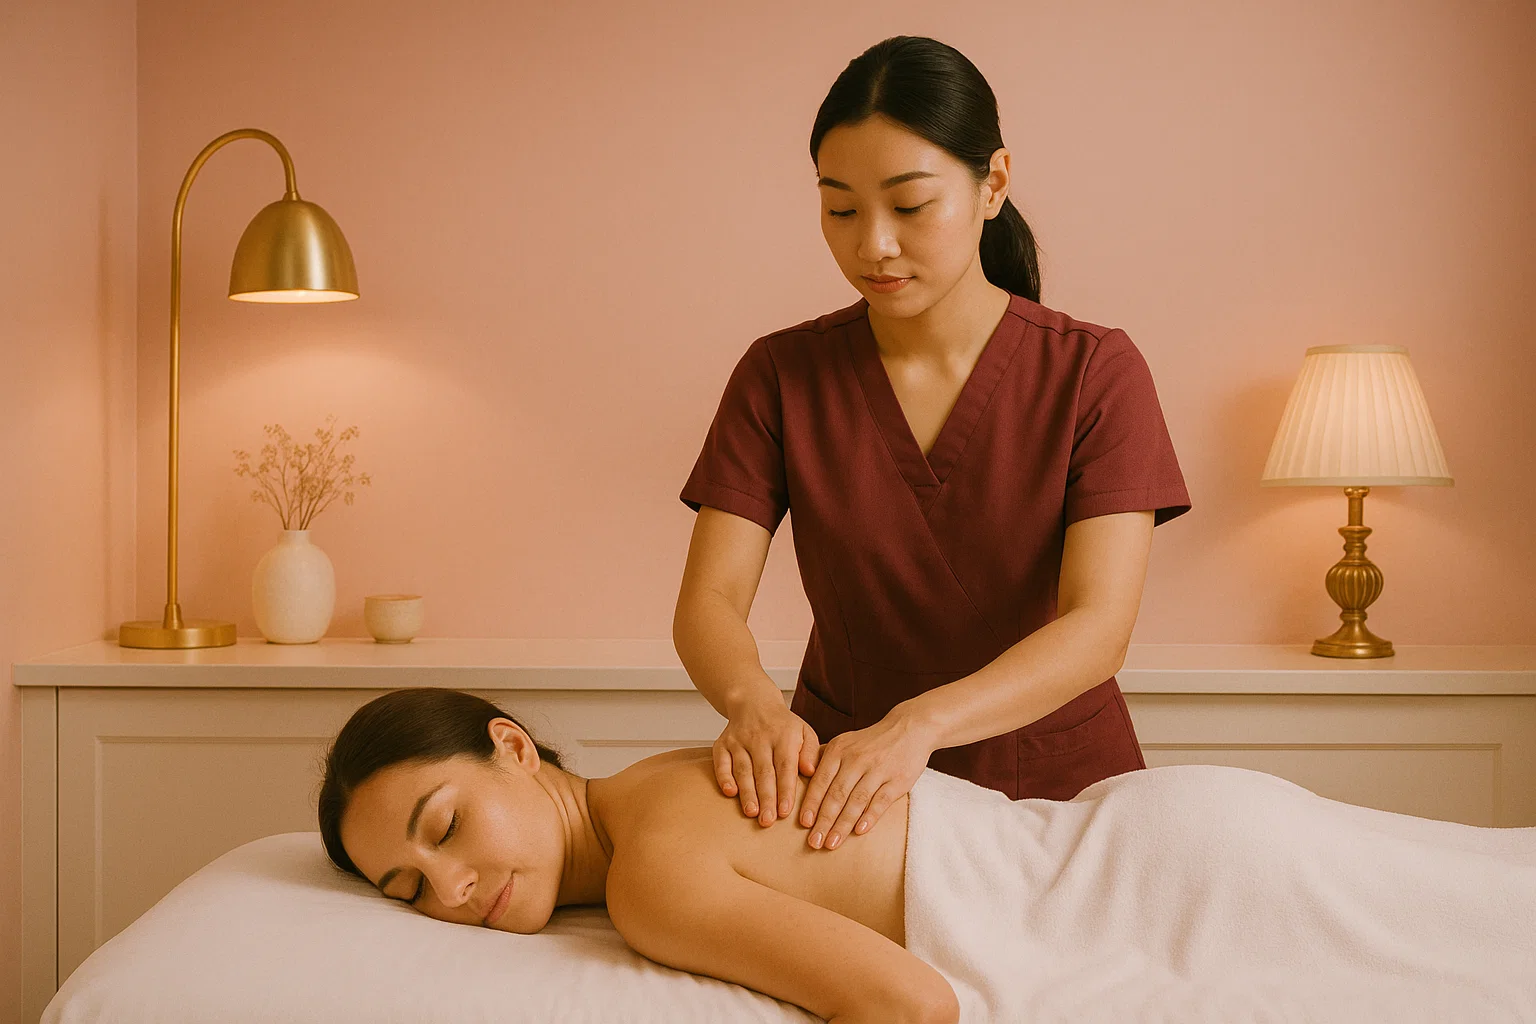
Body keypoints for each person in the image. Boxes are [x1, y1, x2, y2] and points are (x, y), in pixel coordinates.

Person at [672, 35, 1191, 857]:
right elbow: (708, 600)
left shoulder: (1095, 371)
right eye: (840, 208)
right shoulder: (781, 374)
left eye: (910, 207)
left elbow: (1100, 625)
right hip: (841, 803)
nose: (872, 244)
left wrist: (919, 726)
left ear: (996, 184)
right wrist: (752, 704)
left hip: (1058, 800)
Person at [321, 688, 1536, 1024]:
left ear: (513, 748)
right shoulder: (658, 784)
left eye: (444, 825)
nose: (455, 886)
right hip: (1167, 831)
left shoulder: (649, 875)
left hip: (1153, 886)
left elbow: (908, 1006)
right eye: (410, 889)